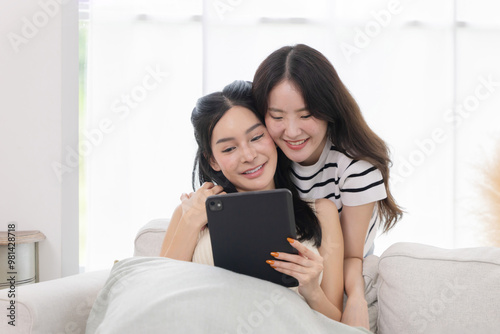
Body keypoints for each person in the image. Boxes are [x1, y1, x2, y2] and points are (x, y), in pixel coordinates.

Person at [160, 80, 345, 321]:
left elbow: (336, 323)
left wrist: (312, 291)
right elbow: (159, 295)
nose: (248, 156)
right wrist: (191, 221)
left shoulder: (322, 212)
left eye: (256, 137)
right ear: (213, 160)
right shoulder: (189, 213)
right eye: (228, 149)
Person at [252, 44, 403, 329]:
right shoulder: (266, 154)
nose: (292, 131)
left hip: (339, 270)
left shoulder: (356, 168)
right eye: (277, 117)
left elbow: (352, 254)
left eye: (306, 115)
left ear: (328, 109)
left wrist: (356, 298)